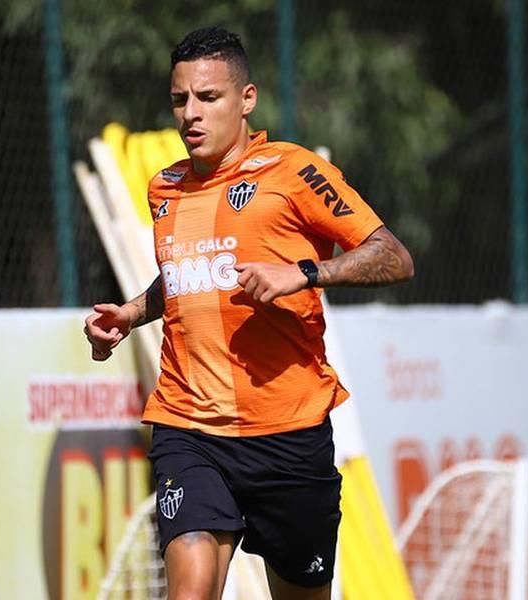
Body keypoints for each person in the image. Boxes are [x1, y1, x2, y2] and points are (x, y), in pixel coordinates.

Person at [84, 26, 413, 600]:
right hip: (190, 428)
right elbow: (188, 271)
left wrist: (306, 273)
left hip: (288, 438)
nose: (191, 113)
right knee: (189, 591)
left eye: (208, 98)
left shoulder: (292, 172)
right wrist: (134, 312)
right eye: (180, 100)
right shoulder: (165, 188)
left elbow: (393, 256)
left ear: (246, 99)